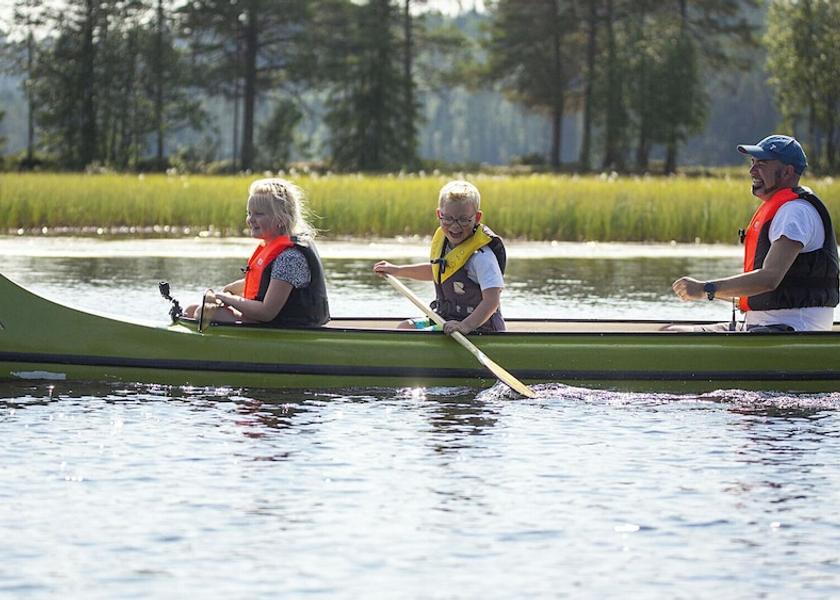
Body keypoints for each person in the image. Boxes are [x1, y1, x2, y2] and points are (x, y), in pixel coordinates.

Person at [670, 134, 838, 332]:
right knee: (672, 333)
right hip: (764, 327)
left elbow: (769, 279)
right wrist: (707, 293)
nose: (752, 170)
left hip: (792, 329)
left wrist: (706, 288)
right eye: (753, 162)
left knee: (671, 341)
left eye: (762, 164)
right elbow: (767, 290)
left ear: (787, 172)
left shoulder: (795, 212)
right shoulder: (784, 209)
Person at [183, 178, 330, 327]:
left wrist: (226, 298)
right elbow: (268, 283)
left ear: (281, 220)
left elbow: (266, 312)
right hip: (272, 322)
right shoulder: (274, 250)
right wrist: (230, 290)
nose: (250, 220)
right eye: (249, 213)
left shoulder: (290, 258)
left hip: (288, 327)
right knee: (190, 311)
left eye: (259, 214)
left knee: (202, 313)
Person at [373, 180, 506, 334]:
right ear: (439, 214)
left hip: (478, 328)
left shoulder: (482, 257)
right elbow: (435, 271)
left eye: (463, 219)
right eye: (448, 218)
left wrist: (465, 326)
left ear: (477, 217)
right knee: (406, 327)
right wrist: (396, 270)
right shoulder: (446, 246)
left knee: (416, 336)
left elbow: (491, 301)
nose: (455, 226)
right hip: (445, 320)